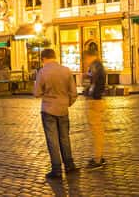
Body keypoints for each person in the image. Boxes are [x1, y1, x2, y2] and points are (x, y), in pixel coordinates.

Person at [33, 48, 78, 180]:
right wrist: (67, 103)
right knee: (65, 137)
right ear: (55, 56)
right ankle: (69, 165)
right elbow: (74, 93)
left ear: (44, 59)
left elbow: (37, 93)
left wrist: (45, 95)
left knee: (52, 140)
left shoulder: (42, 72)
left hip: (48, 109)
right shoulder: (66, 70)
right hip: (63, 109)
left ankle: (56, 169)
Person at [83, 45, 107, 169]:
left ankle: (98, 159)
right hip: (95, 100)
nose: (84, 61)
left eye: (85, 58)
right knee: (97, 131)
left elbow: (95, 85)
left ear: (90, 56)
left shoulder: (95, 67)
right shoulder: (96, 66)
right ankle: (98, 156)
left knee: (96, 131)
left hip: (94, 101)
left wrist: (91, 95)